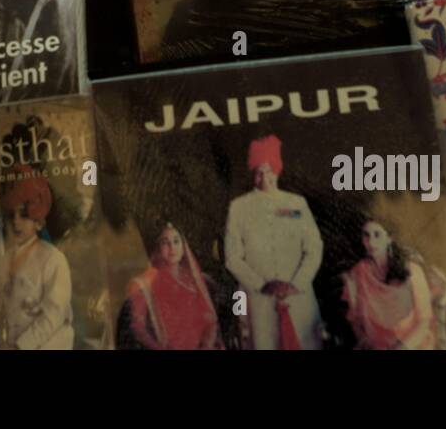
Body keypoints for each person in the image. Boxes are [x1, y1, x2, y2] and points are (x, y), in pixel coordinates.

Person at [224, 135, 323, 349]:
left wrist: (297, 283)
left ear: (277, 170)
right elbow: (232, 257)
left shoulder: (296, 204)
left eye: (268, 170)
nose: (263, 177)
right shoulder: (238, 207)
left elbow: (314, 248)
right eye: (258, 172)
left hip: (298, 295)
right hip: (258, 300)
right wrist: (262, 285)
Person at [0, 166, 74, 349]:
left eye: (24, 215)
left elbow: (54, 316)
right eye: (12, 215)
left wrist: (21, 346)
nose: (16, 222)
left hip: (47, 343)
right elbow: (0, 311)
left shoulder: (53, 259)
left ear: (39, 221)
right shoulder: (6, 260)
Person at [340, 219, 440, 350]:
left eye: (377, 235)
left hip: (412, 344)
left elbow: (424, 321)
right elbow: (356, 321)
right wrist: (365, 341)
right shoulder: (358, 272)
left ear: (389, 238)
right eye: (366, 235)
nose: (371, 242)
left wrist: (402, 347)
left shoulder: (412, 270)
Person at [127, 220, 221, 350]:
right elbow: (138, 329)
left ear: (184, 247)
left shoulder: (195, 280)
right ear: (157, 248)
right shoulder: (143, 284)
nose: (172, 247)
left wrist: (206, 345)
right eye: (165, 242)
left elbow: (210, 321)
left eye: (176, 241)